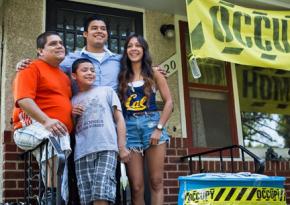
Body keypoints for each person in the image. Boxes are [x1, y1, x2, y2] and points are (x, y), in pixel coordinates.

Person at [12, 31, 72, 203]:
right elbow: (23, 100)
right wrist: (47, 121)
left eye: (61, 42)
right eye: (53, 43)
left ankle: (53, 196)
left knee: (62, 183)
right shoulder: (30, 67)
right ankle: (51, 194)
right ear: (40, 51)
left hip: (53, 134)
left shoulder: (64, 76)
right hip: (27, 129)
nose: (60, 45)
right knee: (55, 138)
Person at [118, 33, 173, 205]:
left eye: (138, 45)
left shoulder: (155, 73)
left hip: (151, 124)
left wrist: (159, 128)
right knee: (136, 186)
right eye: (130, 46)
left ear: (144, 50)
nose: (133, 49)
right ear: (126, 51)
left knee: (156, 181)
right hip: (129, 128)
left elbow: (169, 102)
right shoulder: (122, 76)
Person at [70, 58, 130, 205]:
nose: (90, 73)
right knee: (86, 197)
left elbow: (119, 120)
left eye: (92, 70)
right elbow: (72, 128)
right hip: (82, 152)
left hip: (106, 148)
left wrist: (121, 147)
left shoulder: (107, 91)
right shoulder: (72, 100)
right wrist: (72, 116)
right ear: (74, 75)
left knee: (101, 192)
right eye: (84, 70)